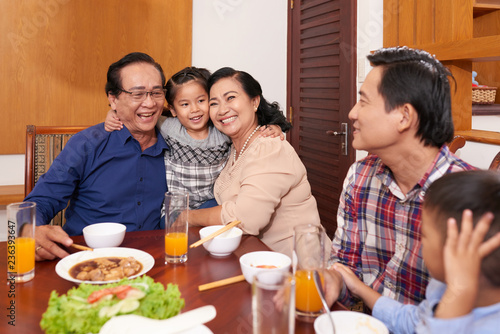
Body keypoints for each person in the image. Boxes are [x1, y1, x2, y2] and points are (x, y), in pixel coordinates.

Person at [325, 46, 476, 307]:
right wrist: (331, 281)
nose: (352, 113)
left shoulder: (469, 199)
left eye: (363, 101)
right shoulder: (359, 177)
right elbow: (345, 266)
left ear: (404, 116)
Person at [25, 52, 169, 261]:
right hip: (86, 260)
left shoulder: (177, 144)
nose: (149, 103)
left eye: (156, 93)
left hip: (153, 260)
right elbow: (40, 200)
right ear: (113, 99)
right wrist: (28, 230)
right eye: (137, 94)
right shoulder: (87, 144)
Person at [333, 170, 500, 333]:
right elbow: (416, 321)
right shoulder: (440, 287)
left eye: (424, 235)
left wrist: (458, 292)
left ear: (453, 251)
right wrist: (358, 288)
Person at [188, 67, 330, 257]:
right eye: (214, 103)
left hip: (299, 268)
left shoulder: (269, 148)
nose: (222, 110)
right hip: (257, 261)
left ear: (254, 101)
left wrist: (187, 216)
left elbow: (245, 219)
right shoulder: (235, 148)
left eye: (231, 98)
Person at [105, 67, 284, 211]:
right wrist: (113, 113)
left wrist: (275, 127)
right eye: (184, 104)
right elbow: (142, 114)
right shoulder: (169, 127)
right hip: (177, 206)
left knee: (221, 218)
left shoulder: (222, 129)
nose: (195, 110)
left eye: (201, 100)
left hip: (212, 202)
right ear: (173, 110)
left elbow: (248, 126)